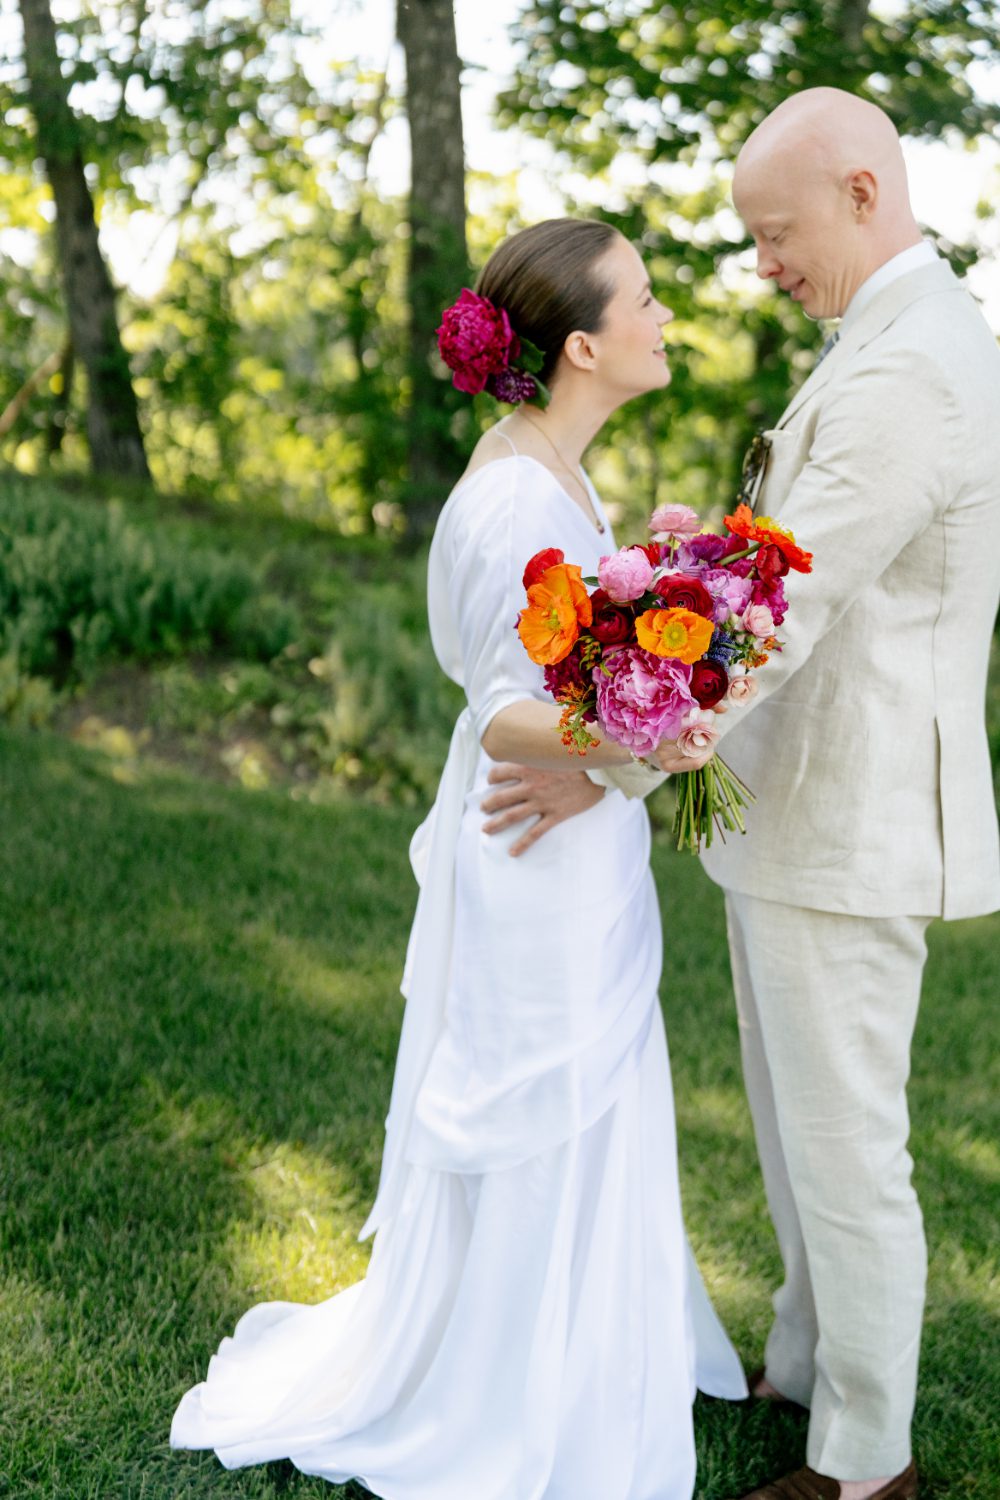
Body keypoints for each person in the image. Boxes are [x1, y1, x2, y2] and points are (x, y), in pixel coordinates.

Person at [170, 217, 747, 1499]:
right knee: (542, 1100)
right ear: (583, 345)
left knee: (593, 1090)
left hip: (572, 841)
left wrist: (646, 710)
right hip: (531, 853)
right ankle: (508, 1391)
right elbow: (500, 712)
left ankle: (589, 1354)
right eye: (646, 300)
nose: (665, 318)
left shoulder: (555, 469)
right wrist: (655, 729)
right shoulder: (518, 497)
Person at [484, 91, 1000, 1500]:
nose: (762, 265)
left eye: (774, 234)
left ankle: (866, 1465)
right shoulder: (886, 340)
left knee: (846, 1153)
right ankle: (806, 1363)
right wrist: (690, 561)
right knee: (795, 1136)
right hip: (801, 815)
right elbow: (780, 561)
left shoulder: (915, 367)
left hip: (850, 820)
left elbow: (781, 613)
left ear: (859, 192)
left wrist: (606, 767)